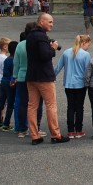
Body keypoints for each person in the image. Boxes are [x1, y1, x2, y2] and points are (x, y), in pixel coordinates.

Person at [26, 13, 69, 145]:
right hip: (44, 77)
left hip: (31, 76)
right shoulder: (41, 36)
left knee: (32, 106)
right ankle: (55, 134)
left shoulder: (30, 36)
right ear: (41, 22)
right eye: (49, 22)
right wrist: (53, 48)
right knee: (51, 105)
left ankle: (34, 135)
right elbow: (45, 55)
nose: (52, 24)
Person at [55, 34, 92, 138]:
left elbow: (58, 67)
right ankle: (78, 130)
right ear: (83, 43)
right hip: (80, 84)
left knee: (70, 106)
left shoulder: (66, 52)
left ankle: (70, 130)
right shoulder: (85, 55)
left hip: (68, 84)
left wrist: (51, 77)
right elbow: (87, 71)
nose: (88, 47)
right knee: (80, 107)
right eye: (88, 45)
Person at [0, 40, 17, 131]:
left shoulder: (7, 59)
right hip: (10, 82)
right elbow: (13, 73)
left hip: (3, 81)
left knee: (1, 103)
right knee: (10, 104)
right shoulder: (13, 60)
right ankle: (6, 123)